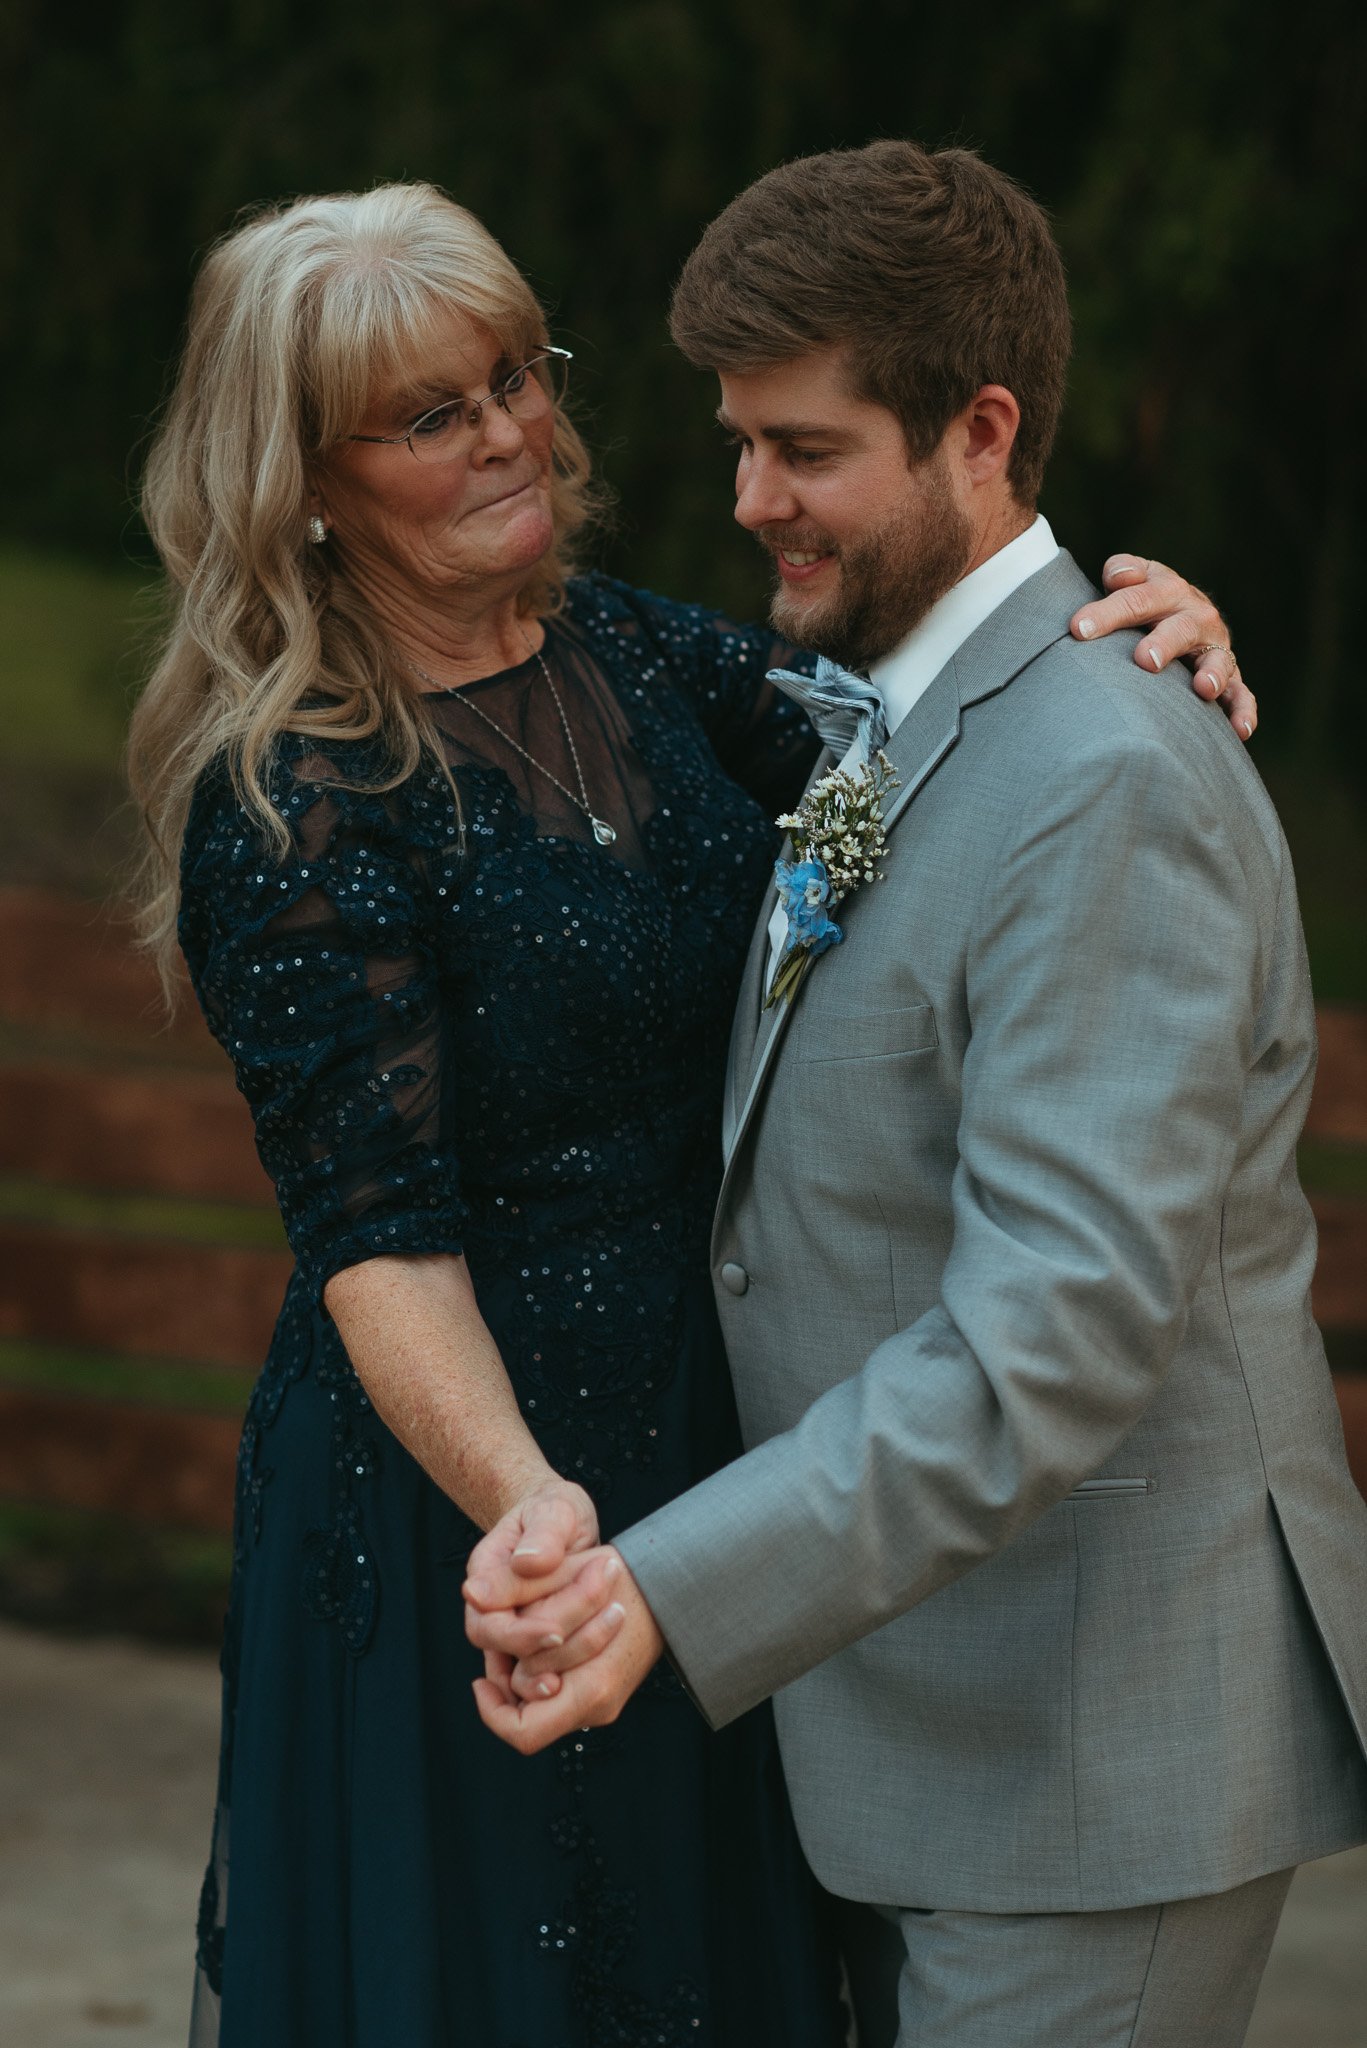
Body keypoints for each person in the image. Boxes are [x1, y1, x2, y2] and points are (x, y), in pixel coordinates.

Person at [128, 178, 1249, 2047]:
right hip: (487, 1494)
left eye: (516, 375)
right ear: (303, 481)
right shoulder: (299, 804)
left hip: (723, 1466)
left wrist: (1119, 636)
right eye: (431, 413)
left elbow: (941, 757)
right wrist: (534, 1518)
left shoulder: (637, 657)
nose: (509, 433)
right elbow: (377, 1242)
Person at [464, 144, 1367, 2048]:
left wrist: (669, 1592)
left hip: (1090, 1757)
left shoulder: (1105, 773)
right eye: (739, 441)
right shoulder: (897, 707)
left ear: (983, 431)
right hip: (918, 1717)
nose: (749, 499)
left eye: (805, 450)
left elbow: (1059, 1328)